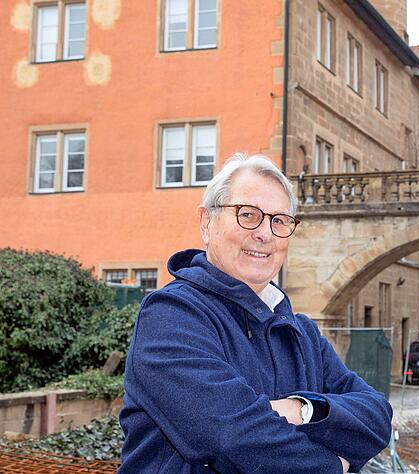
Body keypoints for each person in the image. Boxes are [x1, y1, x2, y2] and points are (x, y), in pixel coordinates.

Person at [119, 153, 392, 473]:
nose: (264, 233)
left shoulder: (301, 333)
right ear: (207, 222)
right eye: (248, 215)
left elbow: (377, 416)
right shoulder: (171, 316)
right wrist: (332, 464)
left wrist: (301, 409)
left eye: (279, 220)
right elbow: (229, 436)